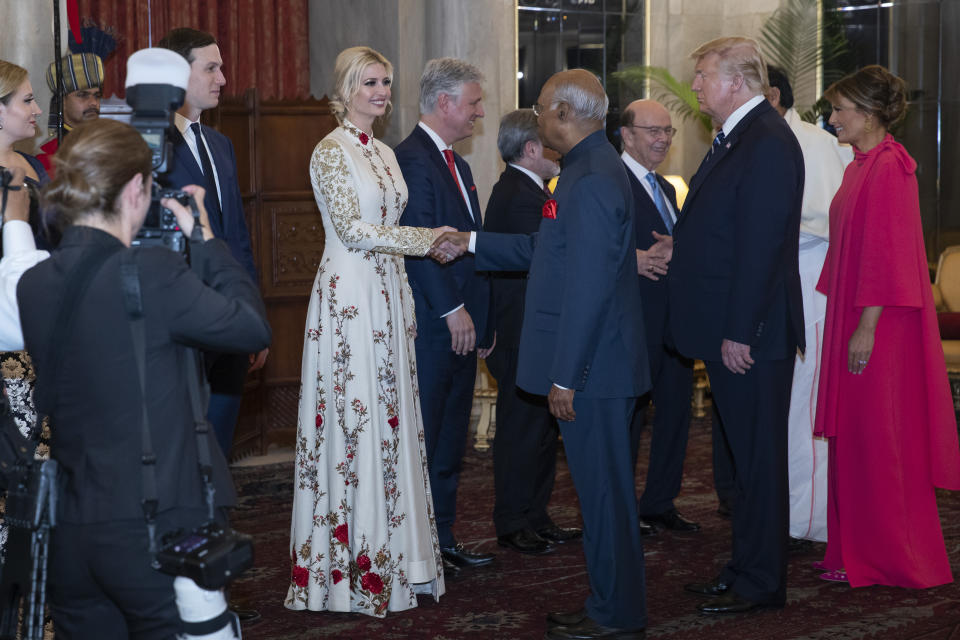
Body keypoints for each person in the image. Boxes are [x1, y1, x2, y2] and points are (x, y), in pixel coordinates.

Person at [17, 117, 271, 639]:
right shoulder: (152, 274)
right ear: (136, 188)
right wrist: (206, 241)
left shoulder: (34, 284)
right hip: (154, 526)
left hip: (71, 530)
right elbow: (249, 327)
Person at [436, 68, 651, 640]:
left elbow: (588, 288)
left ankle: (616, 614)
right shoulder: (584, 170)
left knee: (604, 500)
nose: (536, 120)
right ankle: (610, 602)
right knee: (602, 497)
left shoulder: (592, 179)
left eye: (540, 110)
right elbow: (547, 249)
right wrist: (471, 240)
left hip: (595, 370)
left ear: (563, 113)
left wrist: (566, 377)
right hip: (599, 365)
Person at [285, 46, 456, 617]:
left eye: (385, 82)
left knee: (392, 422)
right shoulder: (329, 151)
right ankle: (347, 571)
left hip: (387, 291)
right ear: (346, 89)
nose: (380, 92)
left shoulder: (382, 150)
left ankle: (400, 560)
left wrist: (406, 291)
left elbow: (388, 227)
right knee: (355, 422)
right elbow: (355, 231)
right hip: (349, 298)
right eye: (369, 83)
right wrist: (427, 237)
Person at [669, 37, 804, 614]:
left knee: (758, 462)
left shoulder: (767, 141)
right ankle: (744, 565)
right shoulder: (741, 136)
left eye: (703, 76)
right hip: (739, 327)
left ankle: (762, 582)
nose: (695, 86)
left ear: (737, 81)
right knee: (743, 462)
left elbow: (762, 249)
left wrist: (740, 330)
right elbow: (724, 229)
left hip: (753, 333)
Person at [813, 64, 960, 587]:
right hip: (857, 314)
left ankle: (895, 557)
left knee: (883, 435)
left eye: (840, 110)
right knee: (856, 438)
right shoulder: (858, 165)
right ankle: (855, 550)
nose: (832, 120)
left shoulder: (891, 168)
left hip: (881, 323)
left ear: (871, 115)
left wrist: (866, 327)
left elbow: (889, 255)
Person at [394, 58, 495, 570]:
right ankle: (417, 548)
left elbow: (470, 249)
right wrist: (454, 310)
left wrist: (481, 319)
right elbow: (423, 244)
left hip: (460, 326)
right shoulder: (412, 159)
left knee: (452, 439)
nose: (480, 112)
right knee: (428, 438)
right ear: (445, 103)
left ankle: (443, 539)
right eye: (474, 102)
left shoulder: (459, 163)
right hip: (433, 328)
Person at [157, 28, 268, 459]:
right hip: (184, 322)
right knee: (182, 454)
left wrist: (251, 310)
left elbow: (237, 235)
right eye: (211, 68)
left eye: (221, 68)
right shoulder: (150, 146)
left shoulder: (221, 145)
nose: (222, 79)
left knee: (218, 454)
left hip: (231, 320)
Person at [482, 109, 581, 556]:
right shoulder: (516, 195)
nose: (558, 151)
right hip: (520, 331)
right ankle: (512, 520)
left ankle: (536, 516)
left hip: (536, 331)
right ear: (532, 149)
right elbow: (540, 257)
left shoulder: (532, 189)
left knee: (542, 430)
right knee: (522, 429)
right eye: (551, 143)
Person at [766, 66, 853, 547]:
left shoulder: (813, 144)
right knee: (784, 406)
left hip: (809, 286)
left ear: (772, 94)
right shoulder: (772, 138)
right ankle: (785, 510)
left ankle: (807, 519)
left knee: (805, 406)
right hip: (781, 288)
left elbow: (820, 222)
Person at [619, 99, 699, 537]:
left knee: (675, 414)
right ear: (627, 134)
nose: (663, 139)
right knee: (631, 417)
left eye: (668, 131)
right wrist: (630, 259)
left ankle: (659, 502)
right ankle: (622, 508)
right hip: (633, 322)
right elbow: (579, 243)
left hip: (674, 322)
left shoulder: (668, 189)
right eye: (653, 131)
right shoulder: (610, 182)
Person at [0, 61, 53, 553]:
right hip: (9, 338)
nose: (38, 108)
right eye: (26, 100)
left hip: (42, 328)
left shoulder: (30, 164)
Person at [36, 52, 104, 174]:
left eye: (97, 95)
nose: (93, 102)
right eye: (83, 95)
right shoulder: (46, 154)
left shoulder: (110, 142)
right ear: (62, 102)